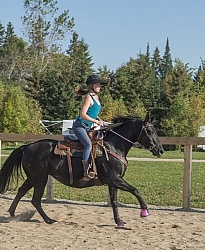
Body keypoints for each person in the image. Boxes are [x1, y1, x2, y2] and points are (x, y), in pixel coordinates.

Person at [72, 75, 108, 180]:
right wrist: (96, 121)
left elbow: (91, 112)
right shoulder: (88, 97)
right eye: (97, 84)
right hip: (80, 126)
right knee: (88, 144)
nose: (99, 86)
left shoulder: (96, 97)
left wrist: (99, 119)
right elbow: (83, 114)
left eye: (99, 85)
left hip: (88, 126)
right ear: (91, 86)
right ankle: (86, 170)